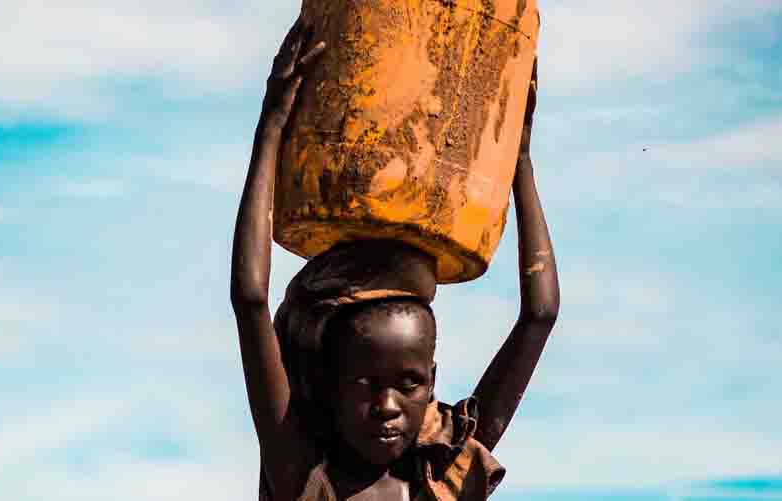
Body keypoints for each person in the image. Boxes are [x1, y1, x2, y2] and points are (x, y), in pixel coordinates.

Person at [230, 20, 559, 501]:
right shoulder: (308, 479)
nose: (387, 406)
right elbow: (251, 300)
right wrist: (272, 126)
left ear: (431, 384)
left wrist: (518, 158)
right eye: (364, 382)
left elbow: (540, 315)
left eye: (408, 383)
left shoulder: (442, 475)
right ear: (330, 386)